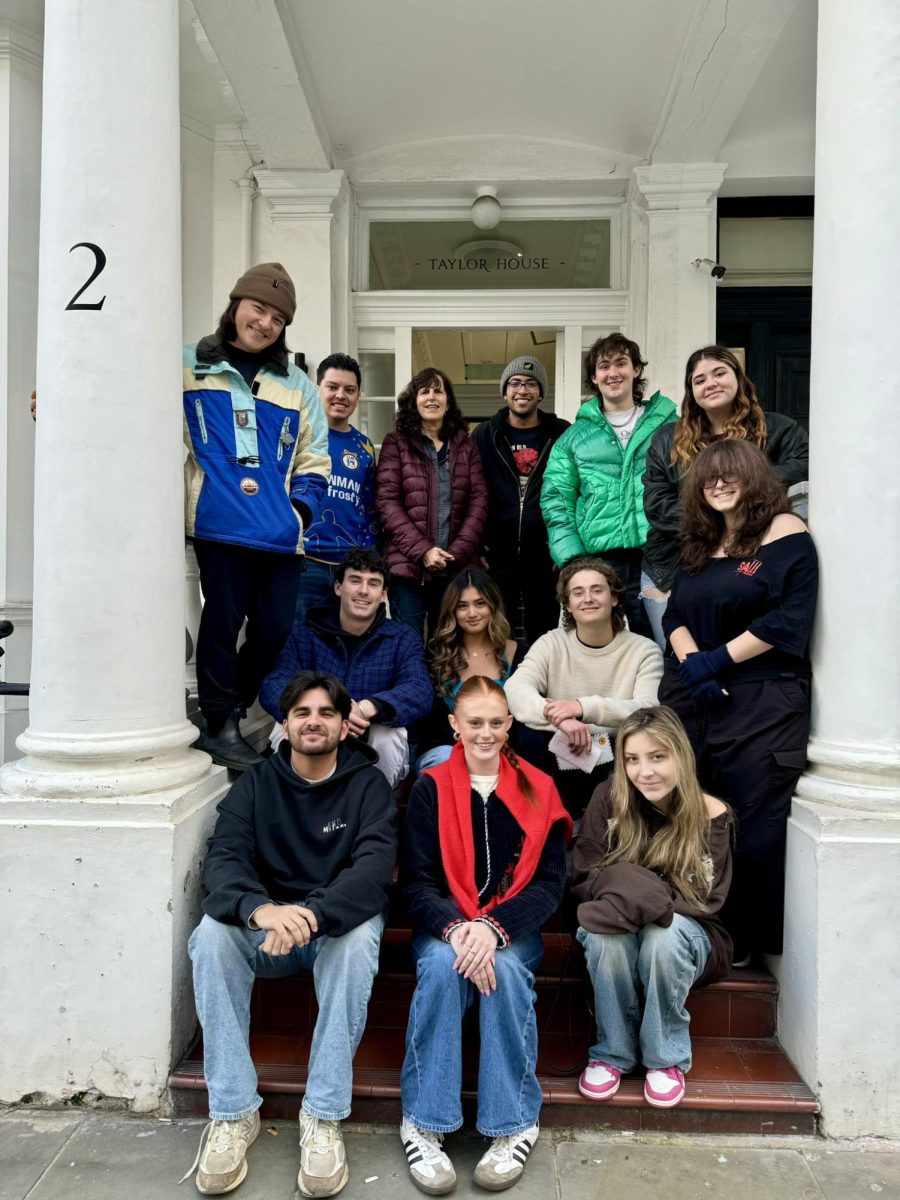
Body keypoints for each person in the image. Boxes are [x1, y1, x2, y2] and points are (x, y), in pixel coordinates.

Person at [183, 671, 396, 1197]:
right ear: (284, 723)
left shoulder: (368, 786)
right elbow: (225, 858)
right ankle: (233, 1112)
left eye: (326, 712)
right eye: (302, 713)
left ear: (345, 724)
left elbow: (373, 869)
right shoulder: (255, 783)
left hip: (329, 931)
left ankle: (323, 1115)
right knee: (212, 936)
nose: (314, 722)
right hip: (269, 932)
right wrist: (261, 911)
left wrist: (309, 916)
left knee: (360, 936)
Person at [398, 676, 572, 1194]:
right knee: (437, 966)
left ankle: (514, 1122)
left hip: (510, 926)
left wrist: (493, 929)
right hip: (446, 926)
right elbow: (417, 883)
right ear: (454, 724)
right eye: (474, 722)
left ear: (510, 725)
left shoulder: (536, 788)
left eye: (497, 722)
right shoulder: (431, 788)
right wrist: (457, 929)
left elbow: (548, 885)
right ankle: (424, 1122)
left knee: (509, 969)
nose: (486, 732)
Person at [658, 439, 818, 964]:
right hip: (697, 696)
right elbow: (675, 615)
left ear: (754, 478)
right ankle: (694, 929)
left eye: (730, 476)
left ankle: (747, 941)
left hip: (763, 699)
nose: (719, 485)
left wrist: (717, 659)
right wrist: (692, 664)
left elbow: (786, 619)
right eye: (708, 480)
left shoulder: (785, 532)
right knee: (690, 815)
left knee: (751, 820)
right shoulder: (702, 546)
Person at [183, 262, 330, 770]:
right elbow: (126, 398)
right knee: (221, 625)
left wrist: (300, 512)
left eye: (278, 318)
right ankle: (221, 724)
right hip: (217, 524)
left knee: (273, 631)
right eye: (258, 308)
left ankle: (226, 711)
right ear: (236, 306)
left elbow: (314, 457)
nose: (265, 322)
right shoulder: (188, 365)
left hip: (280, 534)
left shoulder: (296, 384)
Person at [571, 706, 732, 1110]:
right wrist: (639, 898)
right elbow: (586, 876)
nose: (645, 772)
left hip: (689, 932)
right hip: (618, 923)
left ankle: (665, 1058)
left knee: (664, 935)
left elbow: (702, 901)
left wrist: (630, 890)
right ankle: (612, 1052)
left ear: (680, 754)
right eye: (632, 759)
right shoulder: (609, 798)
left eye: (657, 757)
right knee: (604, 936)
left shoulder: (711, 815)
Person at [642, 345, 809, 648]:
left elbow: (807, 465)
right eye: (700, 379)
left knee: (744, 653)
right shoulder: (667, 439)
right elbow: (657, 504)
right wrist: (718, 520)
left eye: (720, 373)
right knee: (679, 657)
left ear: (739, 378)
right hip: (673, 564)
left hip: (753, 562)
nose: (711, 383)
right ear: (691, 391)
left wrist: (749, 489)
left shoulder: (778, 430)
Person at [505, 556, 663, 818]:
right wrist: (560, 720)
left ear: (613, 598)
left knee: (642, 737)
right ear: (567, 604)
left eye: (597, 590)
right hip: (560, 747)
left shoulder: (643, 650)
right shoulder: (551, 643)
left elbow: (648, 708)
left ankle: (608, 822)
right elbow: (515, 689)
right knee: (529, 735)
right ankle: (553, 820)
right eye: (578, 593)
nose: (588, 598)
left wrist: (582, 708)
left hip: (617, 754)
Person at [260, 549, 432, 788]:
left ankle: (375, 808)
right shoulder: (307, 633)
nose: (363, 590)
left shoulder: (402, 638)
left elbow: (420, 689)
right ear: (338, 588)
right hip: (317, 730)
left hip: (368, 736)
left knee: (390, 734)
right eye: (355, 580)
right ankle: (300, 799)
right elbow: (273, 684)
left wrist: (367, 707)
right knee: (285, 724)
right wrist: (329, 710)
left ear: (383, 595)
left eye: (373, 584)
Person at [540, 334, 676, 636]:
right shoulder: (574, 437)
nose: (613, 372)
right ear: (594, 376)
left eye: (621, 363)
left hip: (661, 551)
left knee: (666, 644)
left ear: (636, 370)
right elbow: (556, 501)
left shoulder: (670, 426)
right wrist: (574, 560)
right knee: (607, 649)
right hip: (599, 560)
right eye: (604, 366)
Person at [375, 367, 488, 639]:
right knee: (409, 644)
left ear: (448, 401)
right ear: (414, 401)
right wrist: (424, 551)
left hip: (455, 568)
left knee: (448, 647)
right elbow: (387, 502)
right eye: (424, 391)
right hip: (408, 568)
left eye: (439, 390)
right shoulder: (396, 443)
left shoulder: (466, 446)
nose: (431, 397)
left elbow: (479, 501)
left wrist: (455, 554)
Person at [472, 356, 569, 645]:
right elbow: (472, 493)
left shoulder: (562, 432)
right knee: (499, 630)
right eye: (514, 383)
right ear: (505, 391)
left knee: (545, 630)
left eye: (530, 384)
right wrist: (477, 547)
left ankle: (539, 689)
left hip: (545, 553)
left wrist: (563, 546)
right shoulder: (485, 434)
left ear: (541, 392)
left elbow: (574, 492)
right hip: (497, 553)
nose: (522, 390)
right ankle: (503, 688)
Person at [297, 353, 379, 623]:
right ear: (318, 388)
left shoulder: (364, 447)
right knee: (295, 640)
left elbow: (367, 508)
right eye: (332, 387)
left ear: (357, 396)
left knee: (340, 643)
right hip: (303, 562)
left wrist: (367, 561)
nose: (340, 395)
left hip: (349, 568)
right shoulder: (298, 434)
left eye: (349, 389)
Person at [415, 568, 522, 773]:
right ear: (452, 611)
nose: (472, 613)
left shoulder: (516, 652)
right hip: (444, 753)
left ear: (493, 605)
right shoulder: (435, 654)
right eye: (462, 606)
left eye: (480, 603)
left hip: (500, 753)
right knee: (448, 758)